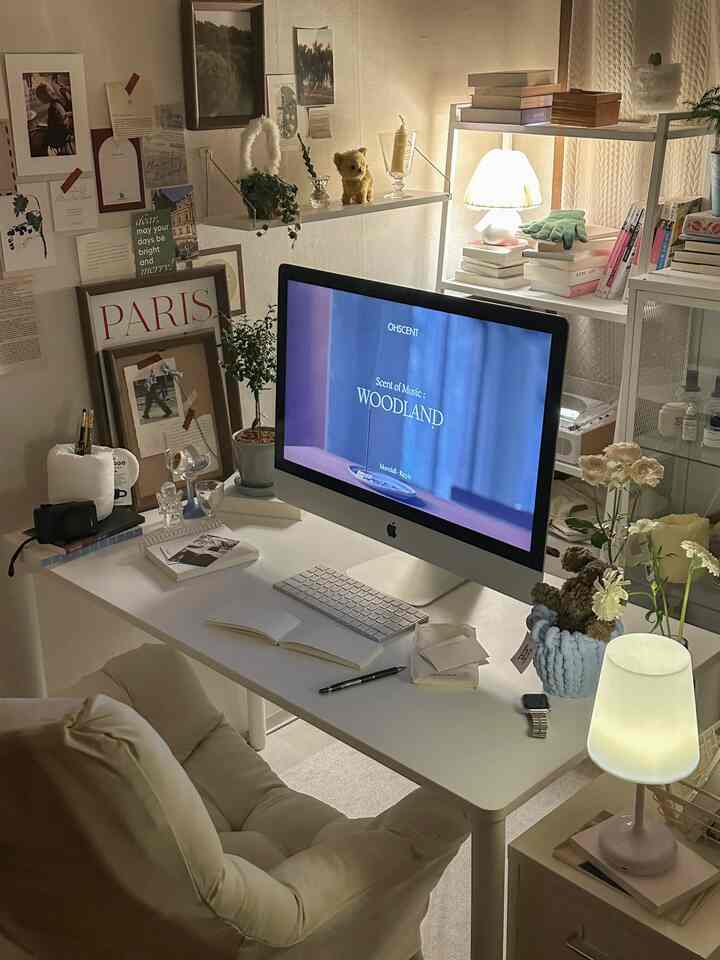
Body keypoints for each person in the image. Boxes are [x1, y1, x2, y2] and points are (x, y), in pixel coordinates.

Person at [34, 82, 74, 155]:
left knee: (40, 138)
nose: (51, 91)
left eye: (49, 90)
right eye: (49, 90)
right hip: (62, 132)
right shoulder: (56, 103)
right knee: (41, 133)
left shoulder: (54, 107)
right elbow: (60, 119)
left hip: (60, 137)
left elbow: (62, 122)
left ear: (43, 98)